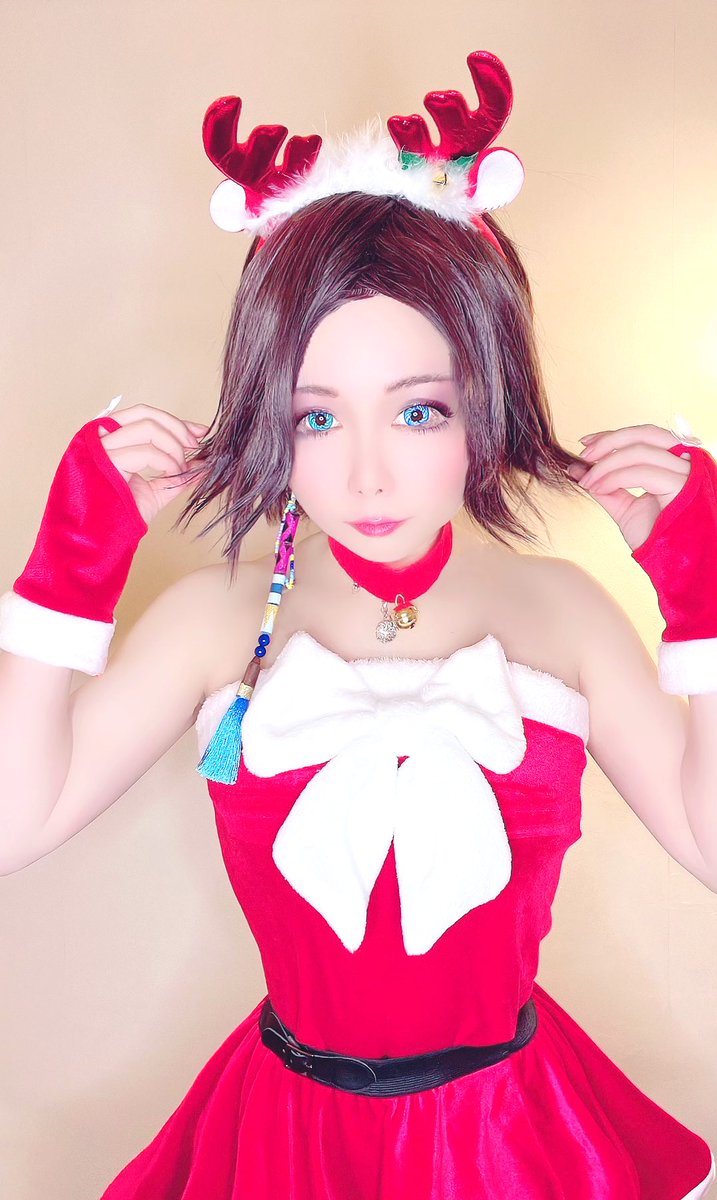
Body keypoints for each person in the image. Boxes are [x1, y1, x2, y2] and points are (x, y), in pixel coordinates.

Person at [0, 49, 715, 1200]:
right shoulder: (212, 618)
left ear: (485, 399)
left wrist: (705, 601)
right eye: (317, 418)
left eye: (418, 411)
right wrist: (68, 573)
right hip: (291, 1140)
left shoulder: (562, 611)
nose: (368, 474)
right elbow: (13, 820)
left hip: (510, 1139)